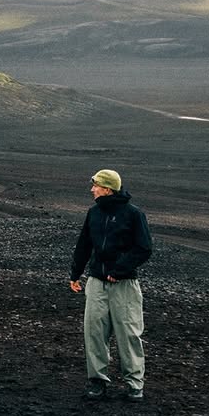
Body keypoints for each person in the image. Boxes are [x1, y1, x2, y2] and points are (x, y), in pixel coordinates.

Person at [69, 169, 152, 402]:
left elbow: (144, 248)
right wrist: (76, 273)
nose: (92, 189)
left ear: (107, 189)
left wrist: (120, 269)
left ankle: (134, 384)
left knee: (129, 334)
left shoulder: (133, 214)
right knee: (94, 332)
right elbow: (84, 245)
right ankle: (97, 380)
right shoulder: (94, 213)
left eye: (95, 185)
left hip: (124, 285)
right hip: (96, 282)